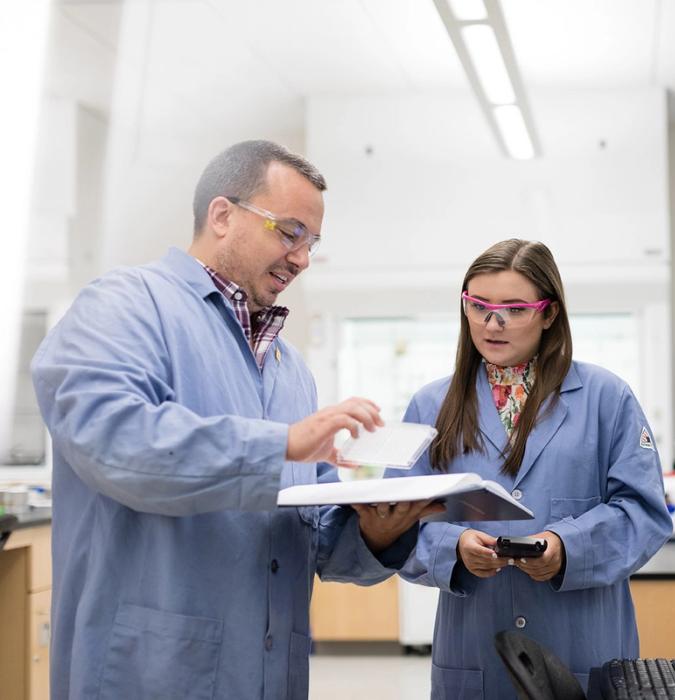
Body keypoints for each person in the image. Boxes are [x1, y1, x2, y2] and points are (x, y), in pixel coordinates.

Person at [31, 140, 440, 699]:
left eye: (312, 243)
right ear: (223, 215)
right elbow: (114, 442)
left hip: (272, 673)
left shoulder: (288, 368)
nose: (302, 258)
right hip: (150, 672)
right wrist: (281, 445)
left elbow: (313, 534)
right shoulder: (123, 305)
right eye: (290, 232)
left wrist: (381, 527)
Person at [388, 239, 673, 699]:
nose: (491, 323)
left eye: (514, 309)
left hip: (581, 653)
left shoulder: (607, 398)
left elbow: (644, 515)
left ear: (549, 313)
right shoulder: (430, 405)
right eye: (478, 306)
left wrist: (567, 546)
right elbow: (395, 523)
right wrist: (453, 547)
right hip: (476, 659)